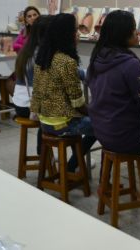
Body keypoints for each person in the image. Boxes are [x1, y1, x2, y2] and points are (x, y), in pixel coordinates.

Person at [31, 13, 95, 172]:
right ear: (66, 34)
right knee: (103, 126)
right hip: (62, 125)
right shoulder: (66, 61)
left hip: (45, 122)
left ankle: (74, 165)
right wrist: (96, 113)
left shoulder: (43, 57)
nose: (78, 34)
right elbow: (78, 103)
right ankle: (71, 167)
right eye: (75, 30)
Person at [86, 10, 140, 155]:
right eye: (133, 28)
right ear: (123, 33)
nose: (137, 32)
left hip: (102, 131)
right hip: (126, 136)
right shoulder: (130, 64)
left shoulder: (98, 57)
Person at [13, 15, 51, 154]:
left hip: (19, 103)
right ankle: (44, 154)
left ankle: (46, 155)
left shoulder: (27, 49)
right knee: (61, 114)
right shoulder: (41, 53)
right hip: (29, 106)